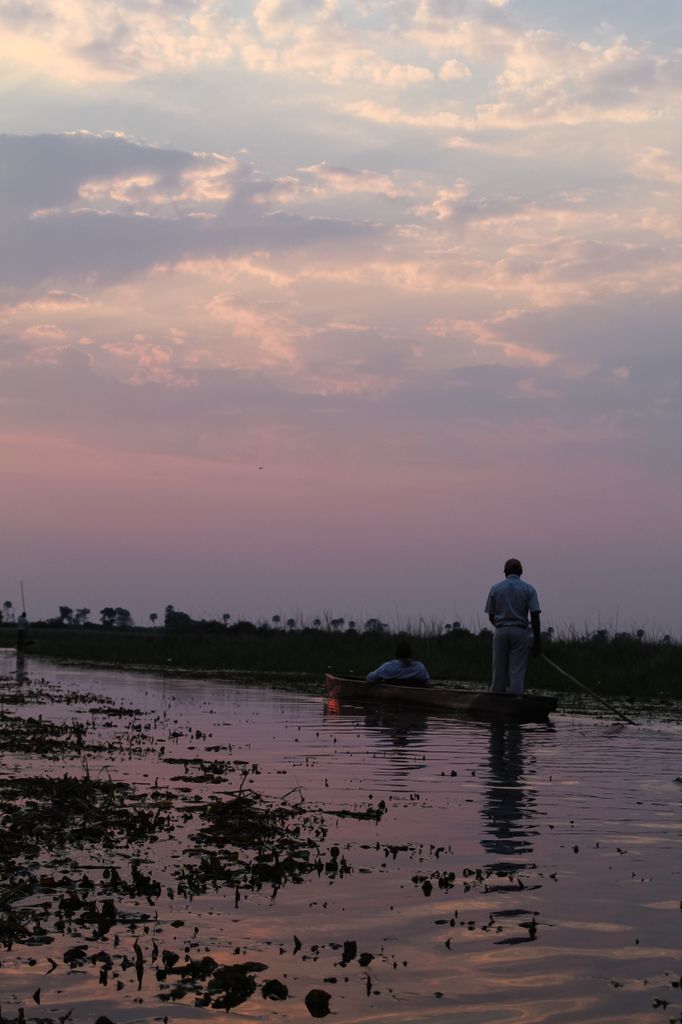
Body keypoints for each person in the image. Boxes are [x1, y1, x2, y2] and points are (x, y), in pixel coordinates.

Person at [485, 558, 541, 696]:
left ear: (505, 572)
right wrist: (537, 642)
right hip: (520, 632)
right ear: (521, 572)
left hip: (500, 631)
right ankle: (516, 700)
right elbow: (535, 615)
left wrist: (502, 626)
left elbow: (491, 616)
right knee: (516, 672)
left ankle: (496, 700)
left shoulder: (495, 589)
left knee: (498, 671)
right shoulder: (529, 589)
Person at [366, 639, 431, 687]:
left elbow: (370, 678)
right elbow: (428, 684)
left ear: (396, 655)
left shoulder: (388, 667)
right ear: (410, 654)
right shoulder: (420, 667)